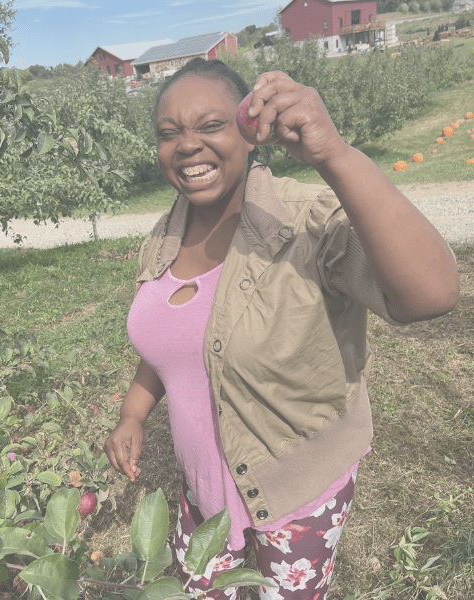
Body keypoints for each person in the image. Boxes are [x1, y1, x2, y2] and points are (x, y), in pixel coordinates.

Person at [104, 58, 459, 600]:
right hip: (203, 493)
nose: (187, 145)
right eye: (169, 133)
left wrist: (334, 157)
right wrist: (133, 412)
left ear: (251, 133)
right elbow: (172, 338)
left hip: (297, 492)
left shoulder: (304, 223)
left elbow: (431, 296)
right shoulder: (165, 233)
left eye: (210, 125)